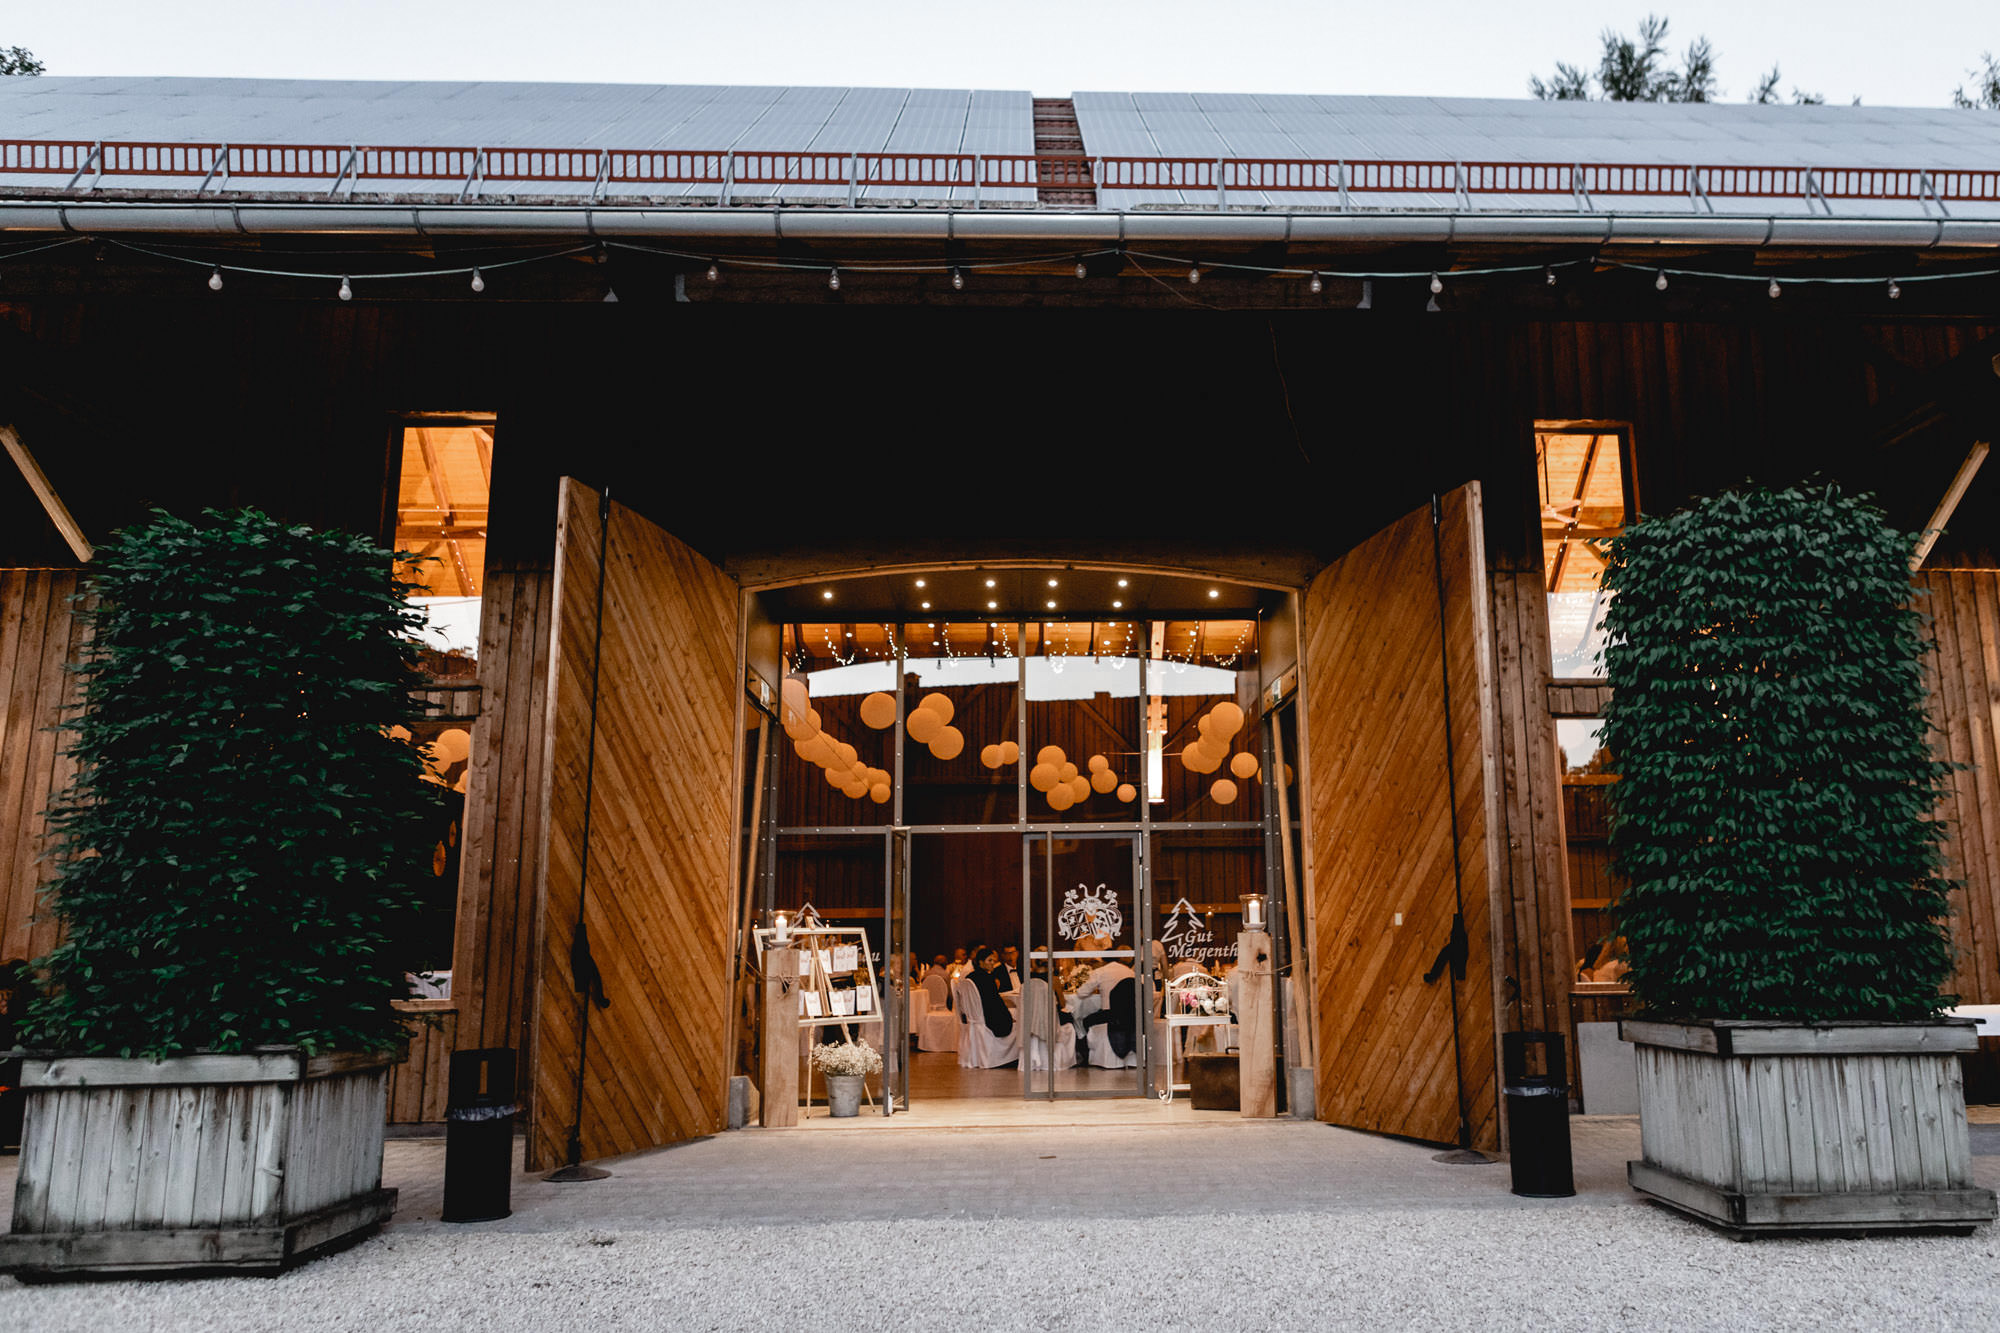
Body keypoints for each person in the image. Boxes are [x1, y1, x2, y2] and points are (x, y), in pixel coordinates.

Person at [1073, 953, 1136, 1062]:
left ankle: (1086, 1054)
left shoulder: (1101, 971)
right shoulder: (1130, 971)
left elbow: (1081, 993)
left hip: (1110, 1014)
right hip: (1131, 1014)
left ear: (1102, 960)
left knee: (1086, 1021)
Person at [966, 946, 1014, 1039]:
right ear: (981, 962)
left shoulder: (970, 977)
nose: (993, 963)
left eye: (994, 960)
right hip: (990, 1020)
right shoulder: (988, 978)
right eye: (990, 960)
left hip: (974, 1016)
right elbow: (994, 1001)